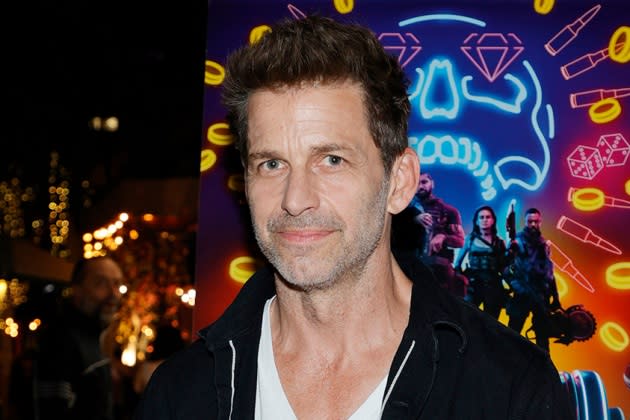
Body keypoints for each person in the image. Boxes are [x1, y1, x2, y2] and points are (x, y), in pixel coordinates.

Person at [135, 15, 573, 419]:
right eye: (272, 164)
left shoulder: (510, 389)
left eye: (331, 160)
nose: (295, 200)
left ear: (399, 182)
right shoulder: (181, 394)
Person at [33, 256, 123, 420]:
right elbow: (52, 412)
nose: (114, 293)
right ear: (78, 290)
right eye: (101, 283)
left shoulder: (94, 337)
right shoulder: (60, 340)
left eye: (117, 284)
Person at [393, 173, 467, 297]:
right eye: (416, 183)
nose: (420, 186)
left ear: (432, 184)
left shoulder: (448, 211)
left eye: (424, 182)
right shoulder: (400, 211)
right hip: (409, 268)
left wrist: (444, 237)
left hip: (439, 271)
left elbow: (460, 241)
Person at [505, 208, 561, 352]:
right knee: (512, 333)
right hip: (523, 292)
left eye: (536, 221)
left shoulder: (543, 243)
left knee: (542, 336)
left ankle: (543, 364)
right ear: (525, 222)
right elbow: (506, 266)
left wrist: (555, 297)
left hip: (540, 294)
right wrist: (515, 285)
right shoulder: (517, 241)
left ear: (540, 222)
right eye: (530, 221)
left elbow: (549, 271)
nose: (533, 224)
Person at [454, 205, 508, 319]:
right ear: (477, 221)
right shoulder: (470, 239)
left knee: (491, 322)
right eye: (481, 217)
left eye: (488, 217)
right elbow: (457, 264)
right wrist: (462, 280)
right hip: (473, 285)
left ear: (493, 220)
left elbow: (504, 268)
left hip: (493, 286)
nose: (485, 220)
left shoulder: (499, 242)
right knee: (468, 318)